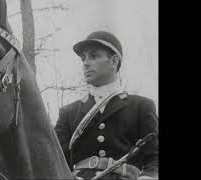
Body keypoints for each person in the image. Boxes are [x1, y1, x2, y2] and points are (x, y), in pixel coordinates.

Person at [54, 31, 158, 179]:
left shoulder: (141, 107)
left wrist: (147, 177)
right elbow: (56, 161)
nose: (85, 62)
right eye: (83, 58)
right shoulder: (68, 113)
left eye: (94, 56)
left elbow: (154, 158)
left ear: (114, 61)